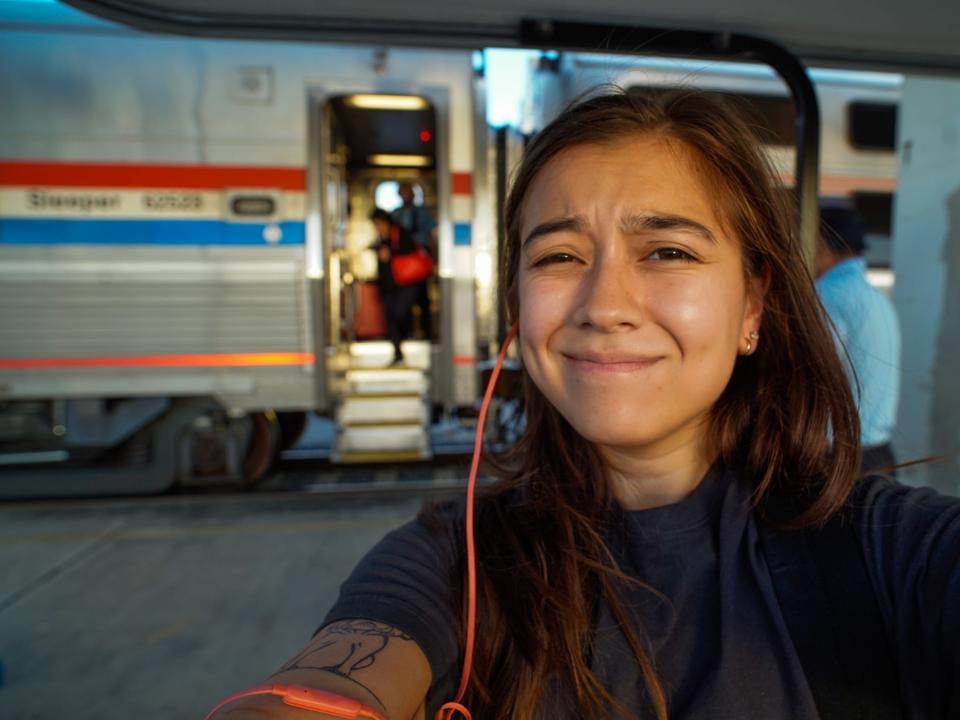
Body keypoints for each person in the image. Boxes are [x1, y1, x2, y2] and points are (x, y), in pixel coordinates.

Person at [212, 90, 959, 719]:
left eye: (667, 251)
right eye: (558, 256)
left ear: (753, 307)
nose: (604, 305)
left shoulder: (889, 550)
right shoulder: (454, 563)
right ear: (516, 307)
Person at [815, 205, 901, 473]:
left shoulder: (826, 296)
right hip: (880, 455)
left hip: (839, 462)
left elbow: (810, 374)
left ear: (819, 244)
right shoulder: (876, 298)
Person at [370, 207, 418, 365]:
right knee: (390, 318)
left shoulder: (401, 234)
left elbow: (412, 253)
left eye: (379, 224)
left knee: (399, 315)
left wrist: (391, 253)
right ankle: (397, 353)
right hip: (388, 286)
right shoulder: (380, 239)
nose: (378, 227)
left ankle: (407, 338)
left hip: (405, 284)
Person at [391, 182, 436, 339]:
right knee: (403, 302)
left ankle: (427, 333)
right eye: (402, 193)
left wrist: (433, 258)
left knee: (423, 299)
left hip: (420, 263)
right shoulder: (396, 214)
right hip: (403, 265)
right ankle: (407, 333)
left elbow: (431, 236)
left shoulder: (422, 213)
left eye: (408, 192)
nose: (405, 196)